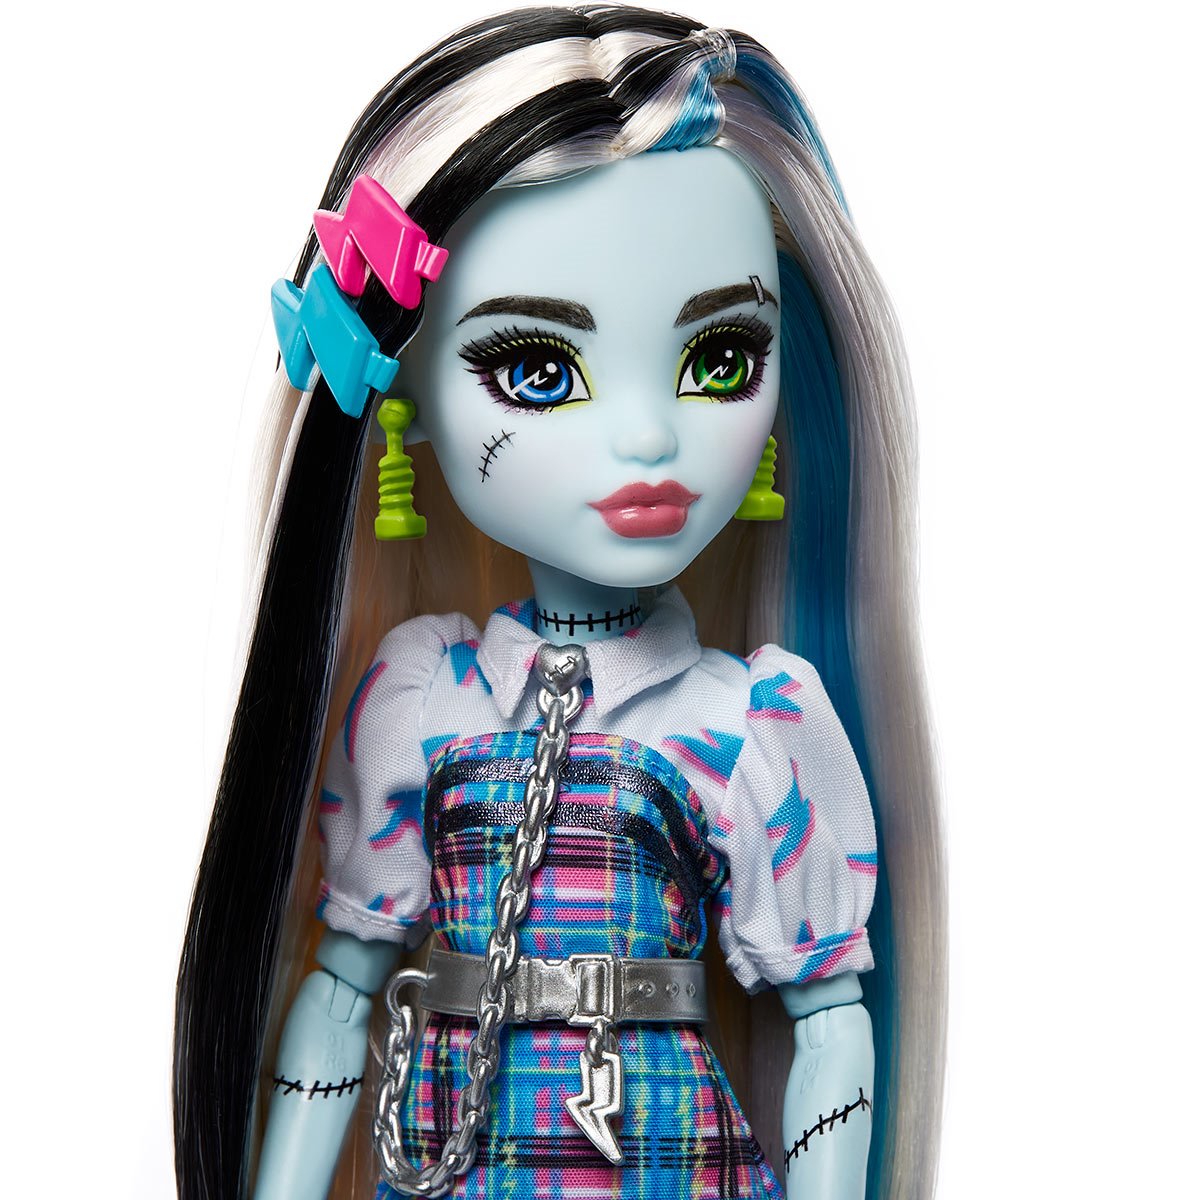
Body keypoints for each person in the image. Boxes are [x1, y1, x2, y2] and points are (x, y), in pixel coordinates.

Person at [174, 9, 945, 1200]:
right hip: (462, 1155)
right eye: (537, 372)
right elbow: (338, 990)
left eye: (720, 361)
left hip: (665, 1159)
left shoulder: (753, 722)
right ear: (406, 400)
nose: (646, 441)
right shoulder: (421, 699)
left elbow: (831, 1025)